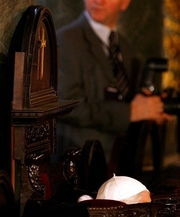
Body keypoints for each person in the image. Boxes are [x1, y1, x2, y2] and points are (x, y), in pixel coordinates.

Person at [56, 0, 172, 174]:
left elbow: (128, 103)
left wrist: (151, 111)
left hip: (121, 166)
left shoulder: (127, 49)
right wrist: (132, 112)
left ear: (125, 3)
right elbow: (67, 106)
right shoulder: (65, 40)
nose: (98, 1)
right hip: (80, 167)